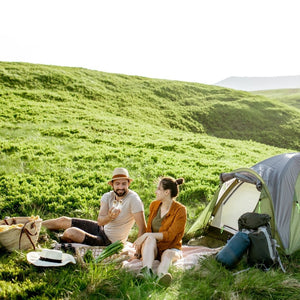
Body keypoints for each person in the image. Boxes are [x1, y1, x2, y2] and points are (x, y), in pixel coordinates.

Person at [42, 168, 147, 246]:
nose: (121, 187)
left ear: (128, 184)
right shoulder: (107, 196)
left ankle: (60, 239)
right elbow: (100, 221)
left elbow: (142, 227)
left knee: (71, 232)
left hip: (109, 242)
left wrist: (138, 249)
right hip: (100, 229)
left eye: (124, 184)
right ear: (112, 185)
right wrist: (109, 217)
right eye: (117, 184)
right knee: (63, 220)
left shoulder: (134, 199)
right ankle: (34, 226)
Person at [133, 176, 187, 287]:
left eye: (158, 189)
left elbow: (170, 235)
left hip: (171, 247)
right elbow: (149, 229)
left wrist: (148, 235)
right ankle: (146, 272)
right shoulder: (154, 205)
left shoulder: (180, 210)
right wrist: (139, 249)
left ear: (167, 192)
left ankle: (161, 277)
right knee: (149, 239)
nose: (155, 191)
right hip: (154, 248)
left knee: (168, 254)